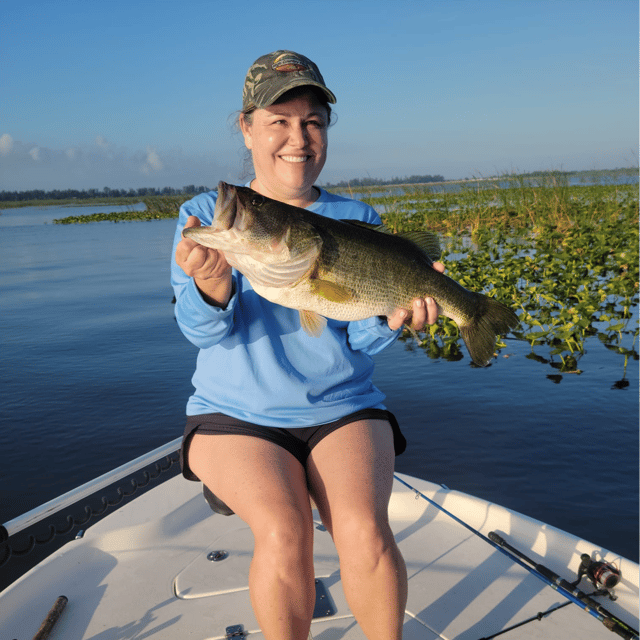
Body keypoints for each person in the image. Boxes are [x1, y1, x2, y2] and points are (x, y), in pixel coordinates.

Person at [171, 50, 445, 640]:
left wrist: (393, 317)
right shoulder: (204, 217)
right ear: (246, 128)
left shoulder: (356, 218)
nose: (297, 138)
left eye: (312, 122)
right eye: (279, 120)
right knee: (283, 527)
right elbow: (202, 331)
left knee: (364, 529)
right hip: (235, 415)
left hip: (343, 407)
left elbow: (359, 336)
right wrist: (212, 289)